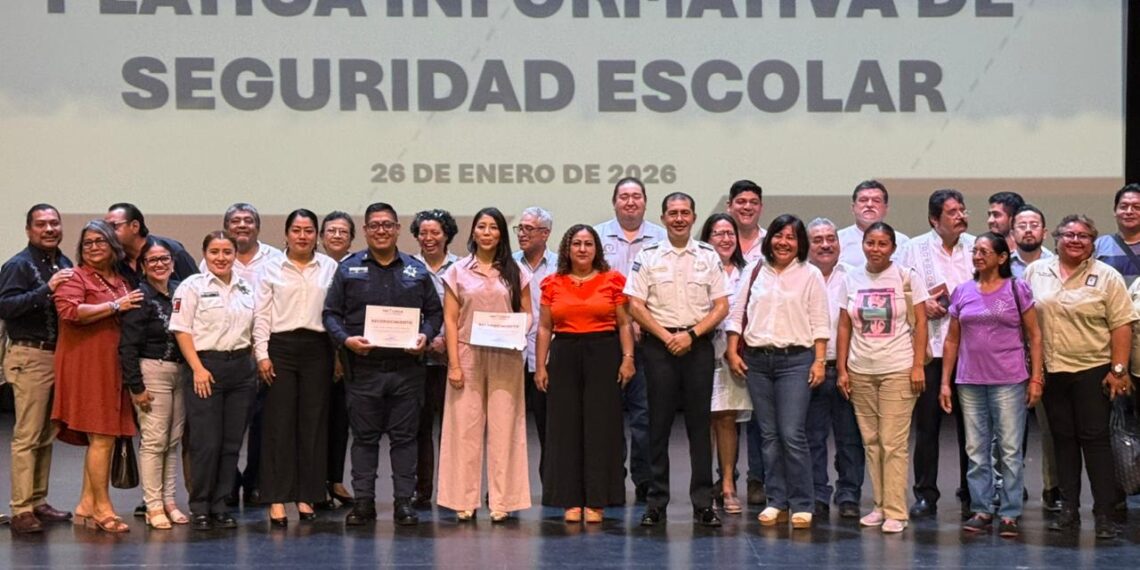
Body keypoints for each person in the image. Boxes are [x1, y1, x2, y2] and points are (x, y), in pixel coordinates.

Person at [324, 203, 443, 526]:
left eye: (387, 225)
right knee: (364, 439)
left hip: (407, 369)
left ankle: (404, 502)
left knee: (405, 439)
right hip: (363, 369)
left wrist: (426, 335)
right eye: (374, 225)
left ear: (397, 229)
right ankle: (364, 503)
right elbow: (330, 314)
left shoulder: (416, 270)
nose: (381, 230)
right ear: (365, 230)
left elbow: (434, 313)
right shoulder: (348, 268)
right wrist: (346, 340)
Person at [1024, 214, 1137, 539]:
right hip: (1051, 371)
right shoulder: (1036, 272)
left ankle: (1104, 515)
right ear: (1056, 238)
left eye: (1084, 236)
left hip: (1093, 371)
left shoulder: (1107, 276)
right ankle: (1068, 510)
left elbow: (1121, 325)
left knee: (1095, 442)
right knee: (1063, 442)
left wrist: (1118, 370)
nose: (1076, 240)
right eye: (1069, 234)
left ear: (1093, 242)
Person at [626, 192, 729, 528]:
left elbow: (721, 306)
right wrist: (667, 336)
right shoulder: (648, 255)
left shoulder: (708, 256)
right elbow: (635, 305)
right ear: (664, 217)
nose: (680, 218)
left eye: (685, 212)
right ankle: (656, 502)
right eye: (673, 213)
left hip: (696, 345)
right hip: (659, 347)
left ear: (694, 217)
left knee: (700, 427)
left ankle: (703, 503)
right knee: (658, 427)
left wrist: (691, 335)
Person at [725, 215, 829, 529]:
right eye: (778, 235)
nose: (783, 242)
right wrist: (732, 350)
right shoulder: (756, 270)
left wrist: (820, 361)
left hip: (796, 361)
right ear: (769, 239)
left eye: (791, 237)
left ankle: (802, 503)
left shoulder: (810, 274)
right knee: (768, 436)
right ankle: (776, 500)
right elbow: (736, 312)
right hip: (757, 361)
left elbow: (820, 322)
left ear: (800, 243)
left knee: (792, 434)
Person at [938, 232, 1043, 538]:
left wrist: (1036, 377)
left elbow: (1034, 335)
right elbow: (952, 339)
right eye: (975, 251)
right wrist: (945, 382)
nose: (978, 255)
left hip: (1009, 380)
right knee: (976, 449)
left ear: (1001, 257)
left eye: (985, 251)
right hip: (969, 381)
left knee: (1009, 449)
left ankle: (1010, 512)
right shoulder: (962, 291)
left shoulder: (1016, 288)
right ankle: (982, 508)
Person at [534, 224, 634, 523]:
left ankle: (597, 500)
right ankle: (569, 500)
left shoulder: (613, 281)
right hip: (564, 355)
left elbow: (625, 324)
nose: (582, 249)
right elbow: (544, 327)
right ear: (567, 248)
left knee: (600, 428)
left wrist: (628, 357)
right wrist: (540, 365)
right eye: (576, 243)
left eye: (588, 244)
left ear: (596, 249)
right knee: (564, 430)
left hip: (603, 354)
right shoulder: (552, 283)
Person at [438, 207, 532, 522]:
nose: (487, 232)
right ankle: (463, 499)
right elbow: (450, 320)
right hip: (467, 354)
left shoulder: (516, 271)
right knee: (463, 429)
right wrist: (453, 363)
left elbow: (529, 312)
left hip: (506, 355)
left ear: (501, 234)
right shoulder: (457, 270)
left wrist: (518, 329)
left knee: (506, 427)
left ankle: (503, 501)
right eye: (482, 226)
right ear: (473, 232)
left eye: (493, 227)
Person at [836, 222, 930, 534]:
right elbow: (844, 326)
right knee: (872, 442)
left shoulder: (906, 277)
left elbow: (921, 323)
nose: (876, 249)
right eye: (870, 243)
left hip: (898, 368)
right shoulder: (850, 277)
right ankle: (878, 505)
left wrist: (918, 366)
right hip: (861, 369)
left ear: (892, 247)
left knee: (893, 442)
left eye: (882, 244)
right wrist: (842, 370)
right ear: (862, 244)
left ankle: (896, 511)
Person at [52, 220, 144, 534]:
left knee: (103, 438)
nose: (93, 247)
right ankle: (104, 508)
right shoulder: (74, 277)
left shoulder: (119, 279)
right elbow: (70, 312)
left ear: (113, 246)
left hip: (113, 365)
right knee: (102, 436)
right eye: (88, 242)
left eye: (100, 241)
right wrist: (116, 305)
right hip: (87, 365)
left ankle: (86, 503)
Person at [254, 209, 338, 526]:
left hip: (318, 348)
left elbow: (335, 313)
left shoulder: (329, 267)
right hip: (280, 348)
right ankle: (276, 498)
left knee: (313, 423)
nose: (303, 236)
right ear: (287, 234)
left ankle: (307, 495)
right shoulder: (270, 267)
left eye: (308, 230)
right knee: (278, 424)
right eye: (297, 230)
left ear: (316, 235)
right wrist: (261, 353)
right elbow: (261, 314)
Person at [895, 188, 976, 518]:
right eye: (952, 212)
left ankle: (973, 492)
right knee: (927, 426)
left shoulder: (976, 247)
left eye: (962, 210)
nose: (961, 216)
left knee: (971, 427)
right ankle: (926, 493)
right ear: (934, 219)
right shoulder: (913, 249)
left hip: (971, 349)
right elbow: (896, 289)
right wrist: (919, 304)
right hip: (929, 349)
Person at [170, 231, 258, 531]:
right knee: (206, 442)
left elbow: (255, 328)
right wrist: (196, 368)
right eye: (214, 252)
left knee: (231, 444)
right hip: (206, 368)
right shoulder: (191, 286)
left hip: (241, 370)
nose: (221, 258)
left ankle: (221, 504)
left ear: (235, 254)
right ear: (205, 254)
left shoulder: (246, 287)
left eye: (227, 252)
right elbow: (182, 330)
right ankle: (200, 506)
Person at [202, 203, 285, 507]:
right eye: (235, 221)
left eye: (248, 221)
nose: (242, 226)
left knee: (264, 423)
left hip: (267, 350)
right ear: (226, 226)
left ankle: (256, 482)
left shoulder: (276, 258)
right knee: (229, 425)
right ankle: (228, 482)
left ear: (257, 227)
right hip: (227, 352)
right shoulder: (214, 257)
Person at [0, 204, 75, 534]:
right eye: (41, 224)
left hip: (58, 356)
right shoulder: (18, 265)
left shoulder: (63, 262)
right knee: (28, 436)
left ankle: (38, 500)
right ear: (29, 230)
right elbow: (6, 307)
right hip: (30, 355)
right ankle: (20, 509)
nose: (49, 229)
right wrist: (48, 290)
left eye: (54, 223)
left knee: (47, 434)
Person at [594, 177, 664, 504]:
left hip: (650, 340)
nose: (630, 202)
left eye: (636, 196)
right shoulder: (595, 237)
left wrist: (641, 320)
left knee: (644, 417)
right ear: (614, 202)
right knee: (608, 415)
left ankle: (646, 481)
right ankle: (611, 480)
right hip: (606, 339)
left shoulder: (662, 238)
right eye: (624, 197)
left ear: (645, 202)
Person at [118, 239, 190, 529]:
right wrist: (136, 387)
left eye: (164, 259)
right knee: (154, 440)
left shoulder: (179, 292)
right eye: (153, 260)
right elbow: (127, 347)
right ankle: (153, 504)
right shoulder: (139, 297)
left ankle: (170, 500)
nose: (159, 265)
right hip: (152, 371)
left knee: (172, 442)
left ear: (173, 262)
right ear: (143, 266)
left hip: (179, 373)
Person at [805, 218, 865, 519]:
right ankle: (817, 494)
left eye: (831, 238)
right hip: (810, 369)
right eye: (818, 240)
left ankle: (849, 494)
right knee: (812, 438)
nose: (826, 244)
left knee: (850, 438)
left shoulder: (855, 277)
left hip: (848, 369)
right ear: (808, 245)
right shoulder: (800, 276)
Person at [698, 213, 753, 515]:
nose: (725, 238)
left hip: (734, 352)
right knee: (702, 418)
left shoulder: (748, 272)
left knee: (726, 419)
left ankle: (729, 484)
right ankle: (704, 484)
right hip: (701, 348)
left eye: (730, 233)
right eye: (717, 233)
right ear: (706, 239)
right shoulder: (697, 269)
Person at [1009, 205, 1061, 512]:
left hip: (1049, 356)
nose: (1028, 230)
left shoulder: (1057, 266)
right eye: (1022, 225)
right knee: (1008, 431)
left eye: (1034, 225)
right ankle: (1009, 489)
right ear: (1012, 233)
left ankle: (1053, 487)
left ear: (1044, 231)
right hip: (1008, 358)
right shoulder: (999, 264)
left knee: (1052, 428)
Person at [409, 209, 460, 508]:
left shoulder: (462, 266)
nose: (428, 238)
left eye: (435, 233)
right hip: (415, 358)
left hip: (453, 359)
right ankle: (422, 488)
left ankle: (453, 489)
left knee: (454, 428)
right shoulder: (407, 266)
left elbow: (466, 310)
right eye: (423, 233)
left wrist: (446, 341)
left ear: (447, 235)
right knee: (419, 428)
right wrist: (424, 338)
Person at [723, 180, 768, 505]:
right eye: (741, 201)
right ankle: (725, 479)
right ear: (730, 206)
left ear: (760, 207)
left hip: (760, 343)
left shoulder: (773, 243)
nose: (747, 207)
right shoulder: (717, 241)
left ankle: (757, 479)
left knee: (758, 417)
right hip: (718, 346)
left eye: (753, 202)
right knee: (723, 415)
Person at [513, 206, 557, 484]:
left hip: (548, 359)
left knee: (549, 427)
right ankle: (506, 487)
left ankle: (552, 483)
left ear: (546, 233)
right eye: (520, 228)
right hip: (510, 356)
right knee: (508, 426)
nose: (522, 234)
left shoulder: (561, 266)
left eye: (529, 229)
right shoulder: (507, 264)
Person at [318, 211, 356, 510]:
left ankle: (335, 478)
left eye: (344, 232)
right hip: (316, 351)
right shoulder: (315, 267)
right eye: (331, 231)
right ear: (321, 236)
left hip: (351, 352)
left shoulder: (358, 267)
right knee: (316, 420)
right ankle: (315, 483)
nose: (337, 236)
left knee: (341, 421)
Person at [105, 202, 198, 282]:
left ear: (135, 226)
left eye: (114, 226)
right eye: (105, 227)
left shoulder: (171, 250)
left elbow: (197, 287)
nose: (108, 232)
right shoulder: (115, 258)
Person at [837, 180, 910, 268]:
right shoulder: (838, 240)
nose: (869, 204)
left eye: (876, 200)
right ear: (853, 208)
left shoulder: (902, 242)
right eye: (863, 200)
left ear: (885, 208)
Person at [1094, 183, 1140, 286]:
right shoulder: (1100, 245)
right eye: (1124, 207)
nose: (1129, 212)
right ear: (1115, 211)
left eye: (1136, 207)